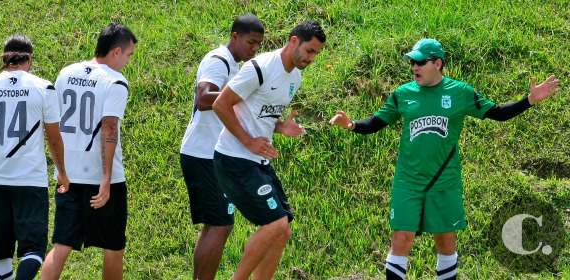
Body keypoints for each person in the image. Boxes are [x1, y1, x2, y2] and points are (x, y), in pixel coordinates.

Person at [329, 38, 560, 280]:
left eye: (420, 62)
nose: (414, 67)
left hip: (443, 181)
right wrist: (351, 124)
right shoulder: (403, 94)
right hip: (408, 182)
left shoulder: (460, 93)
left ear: (437, 63)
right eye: (412, 62)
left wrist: (529, 100)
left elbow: (498, 113)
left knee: (446, 241)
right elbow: (376, 123)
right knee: (402, 238)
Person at [212, 21, 326, 279]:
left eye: (317, 54)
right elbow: (221, 104)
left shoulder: (295, 77)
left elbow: (258, 114)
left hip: (257, 161)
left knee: (283, 230)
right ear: (294, 40)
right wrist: (249, 141)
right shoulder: (260, 68)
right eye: (310, 51)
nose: (312, 58)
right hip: (234, 158)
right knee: (275, 224)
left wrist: (280, 127)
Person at [0, 34, 69, 280]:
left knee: (1, 253)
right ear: (29, 59)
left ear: (4, 57)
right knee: (34, 250)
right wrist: (62, 172)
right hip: (31, 181)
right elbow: (54, 137)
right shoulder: (43, 87)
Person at [40, 23, 137, 280]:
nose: (128, 62)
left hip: (68, 175)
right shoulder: (115, 81)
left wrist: (60, 169)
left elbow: (53, 123)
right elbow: (109, 127)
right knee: (114, 247)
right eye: (129, 55)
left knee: (61, 245)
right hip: (102, 179)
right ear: (116, 52)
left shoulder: (65, 73)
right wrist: (105, 179)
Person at [179, 14, 264, 280]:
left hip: (212, 155)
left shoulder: (234, 66)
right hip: (202, 154)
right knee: (220, 224)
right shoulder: (218, 60)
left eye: (258, 45)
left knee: (219, 225)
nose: (253, 50)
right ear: (235, 36)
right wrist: (242, 97)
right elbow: (204, 97)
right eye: (250, 42)